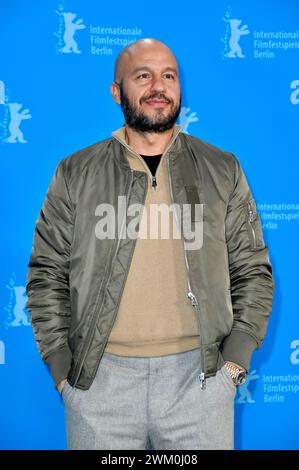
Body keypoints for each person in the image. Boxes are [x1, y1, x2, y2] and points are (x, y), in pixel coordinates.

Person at [25, 38, 274, 450]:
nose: (159, 86)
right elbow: (46, 273)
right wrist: (63, 372)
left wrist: (233, 365)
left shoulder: (221, 168)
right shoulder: (75, 172)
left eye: (169, 76)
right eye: (144, 75)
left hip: (202, 382)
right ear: (117, 91)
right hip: (98, 383)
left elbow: (252, 271)